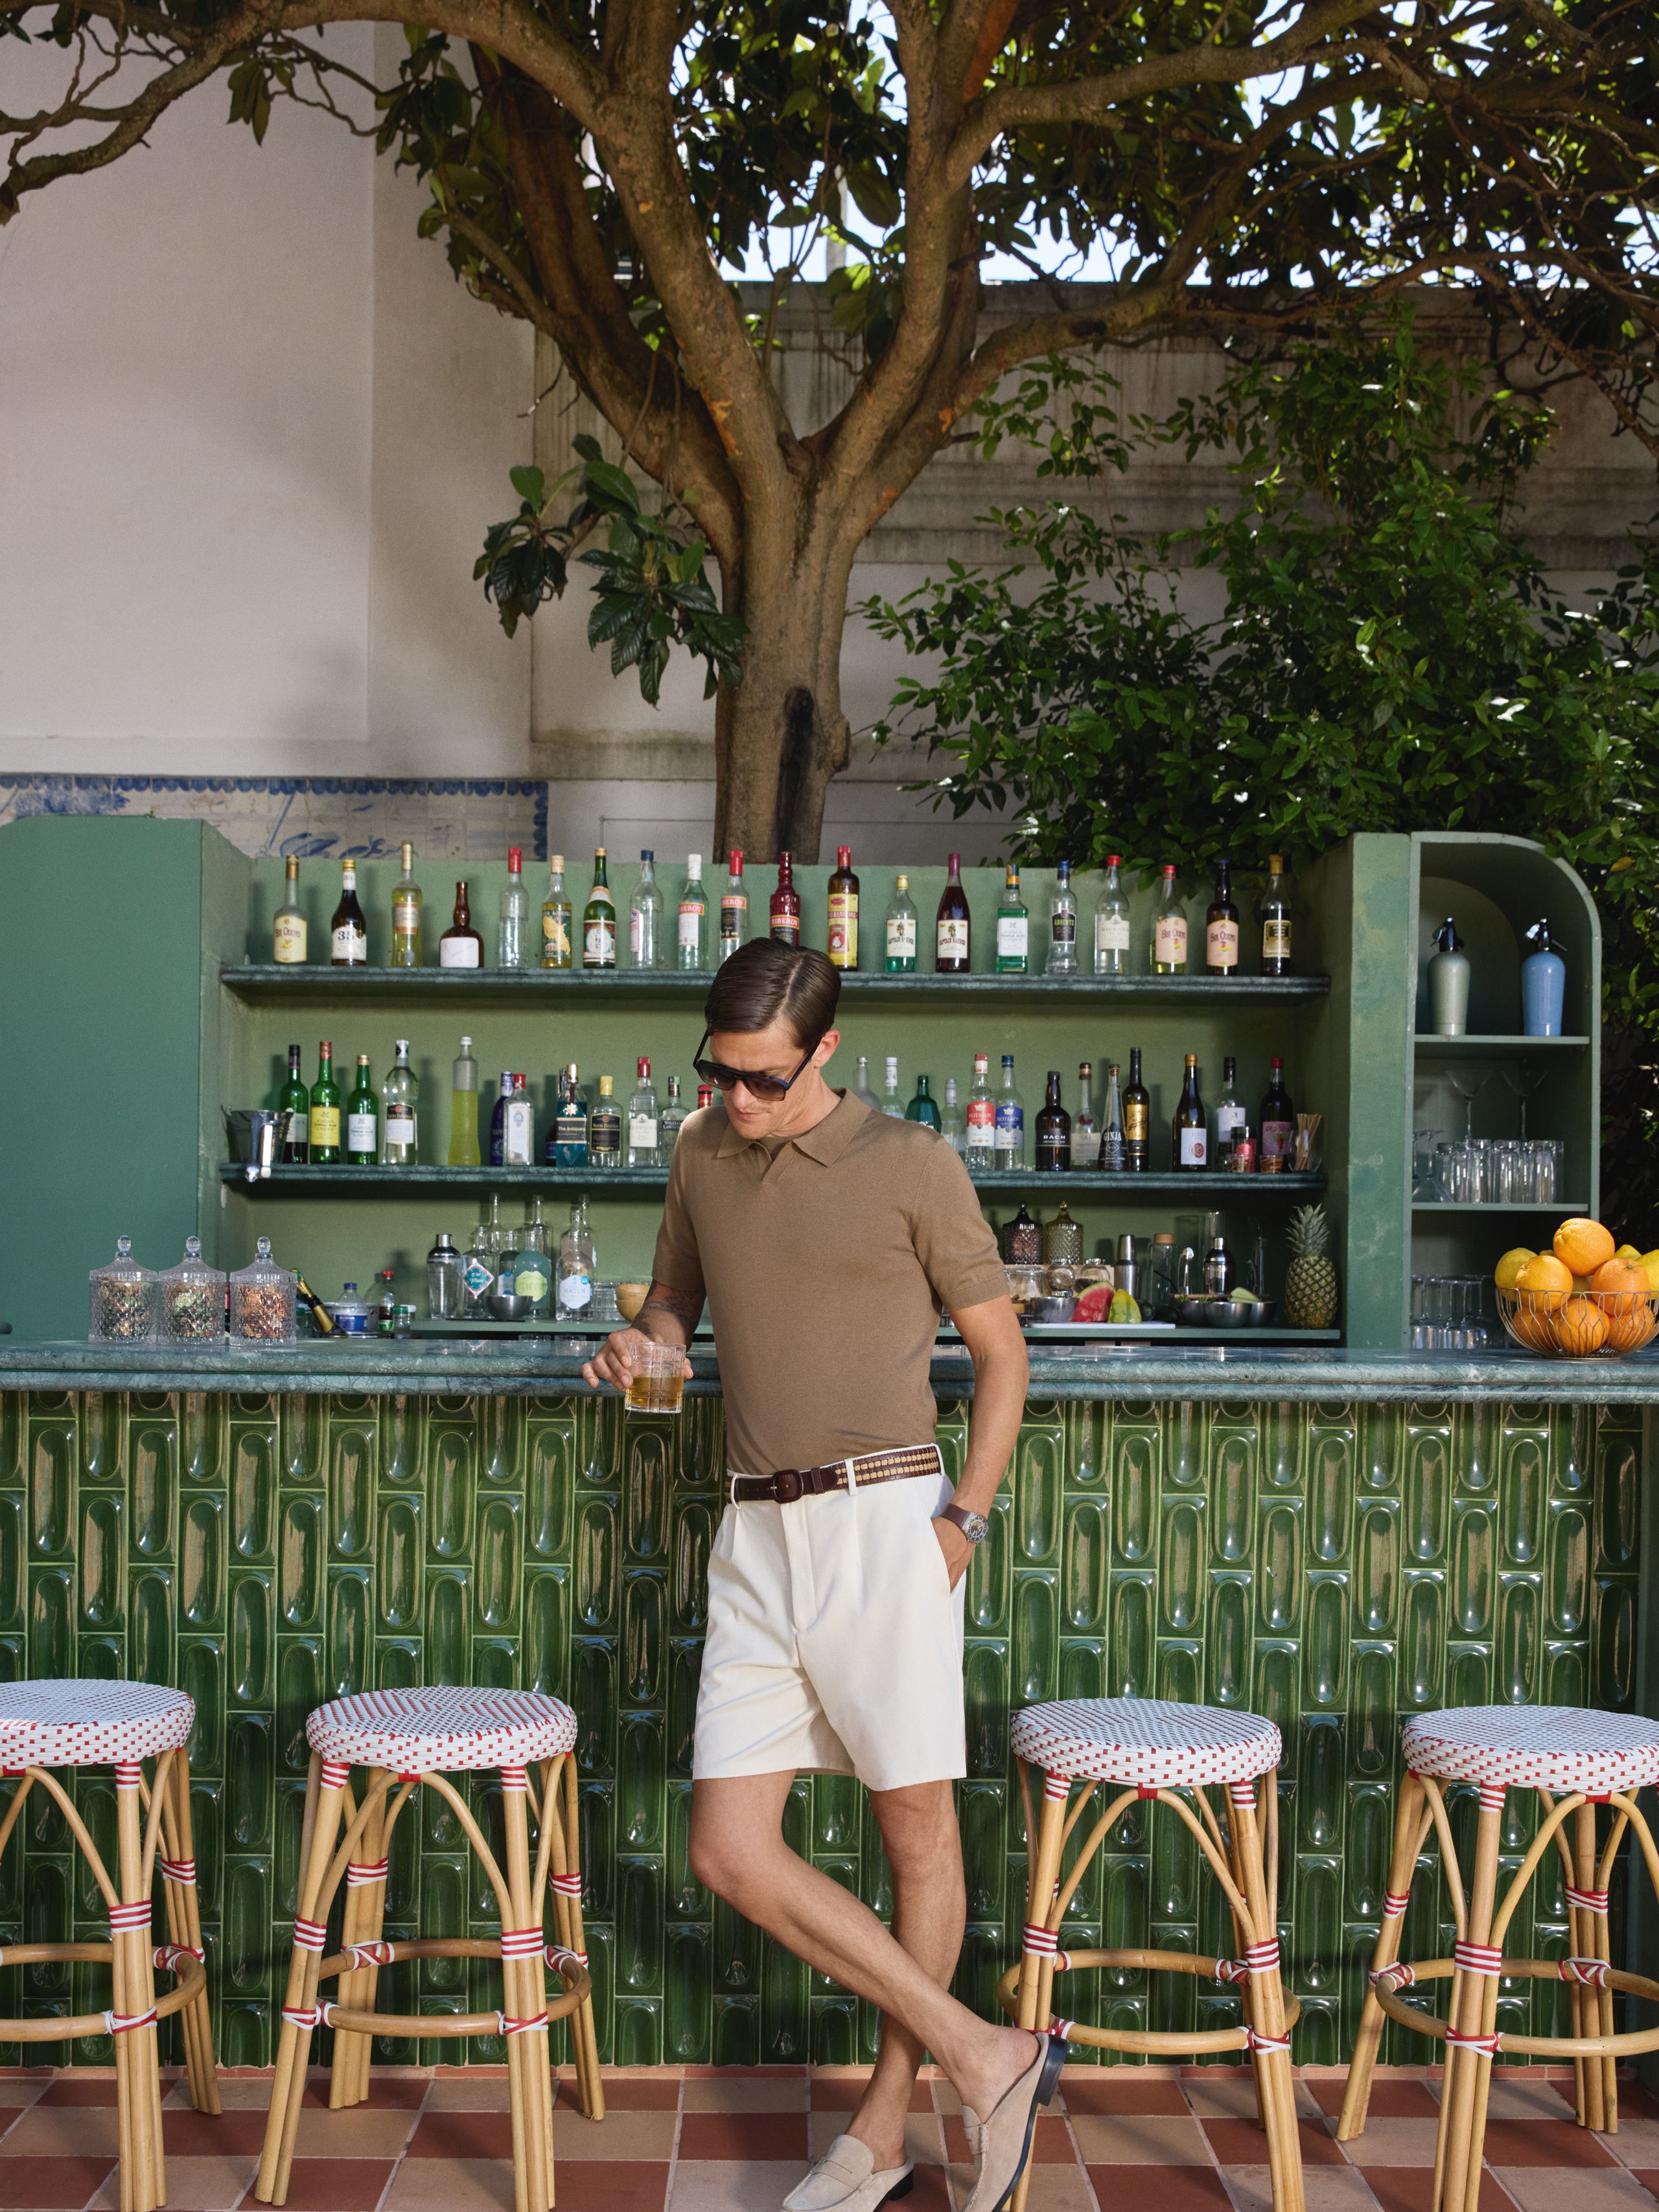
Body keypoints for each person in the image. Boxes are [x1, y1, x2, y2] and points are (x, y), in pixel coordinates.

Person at [583, 938, 1065, 2212]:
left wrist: (962, 1515)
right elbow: (674, 1306)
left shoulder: (909, 1163)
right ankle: (987, 2053)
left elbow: (1004, 1360)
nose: (735, 1100)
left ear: (825, 1053)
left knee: (914, 1834)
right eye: (717, 1073)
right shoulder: (698, 1151)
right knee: (728, 1849)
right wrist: (645, 1350)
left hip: (886, 1523)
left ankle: (881, 2131)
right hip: (750, 1534)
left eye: (762, 1079)